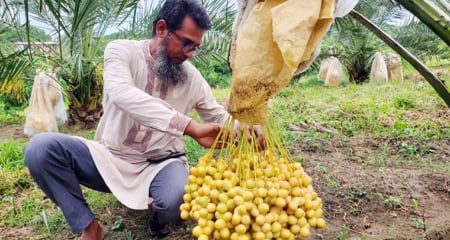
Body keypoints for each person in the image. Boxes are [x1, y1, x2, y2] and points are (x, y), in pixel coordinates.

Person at [24, 0, 260, 239]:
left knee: (175, 200)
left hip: (162, 162)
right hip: (111, 158)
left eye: (195, 46)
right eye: (186, 42)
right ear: (161, 29)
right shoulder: (121, 51)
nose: (190, 53)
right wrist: (188, 126)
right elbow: (121, 93)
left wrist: (246, 129)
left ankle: (158, 218)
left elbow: (217, 114)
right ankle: (89, 227)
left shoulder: (193, 78)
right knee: (40, 149)